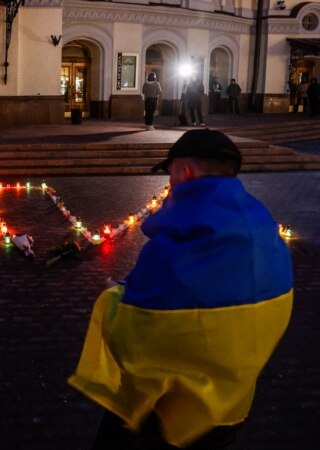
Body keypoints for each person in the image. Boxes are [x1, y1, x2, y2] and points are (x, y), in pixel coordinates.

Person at [69, 128, 293, 450]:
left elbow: (135, 334)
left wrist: (115, 298)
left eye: (170, 174)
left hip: (168, 415)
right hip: (231, 406)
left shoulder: (174, 245)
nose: (169, 183)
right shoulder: (264, 228)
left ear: (184, 171)